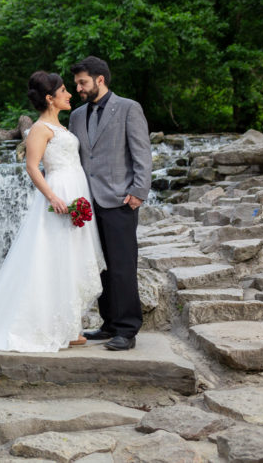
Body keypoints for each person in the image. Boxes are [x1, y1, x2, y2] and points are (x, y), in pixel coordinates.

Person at [0, 71, 106, 352]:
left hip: (76, 188)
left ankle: (70, 326)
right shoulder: (39, 129)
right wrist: (54, 197)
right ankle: (49, 327)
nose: (69, 94)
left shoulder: (61, 126)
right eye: (63, 91)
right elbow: (31, 166)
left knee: (71, 258)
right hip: (59, 193)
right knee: (55, 258)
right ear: (50, 98)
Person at [69, 56, 152, 351]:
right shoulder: (77, 116)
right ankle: (108, 324)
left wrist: (139, 191)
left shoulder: (129, 108)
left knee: (122, 266)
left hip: (120, 200)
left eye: (83, 82)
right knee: (100, 266)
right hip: (88, 203)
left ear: (100, 79)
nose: (77, 88)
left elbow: (141, 153)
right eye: (77, 83)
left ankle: (127, 330)